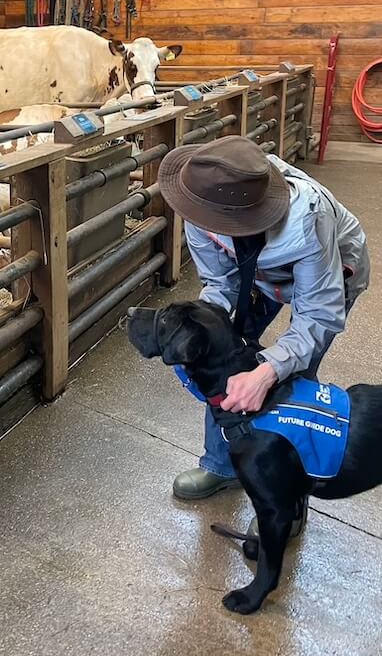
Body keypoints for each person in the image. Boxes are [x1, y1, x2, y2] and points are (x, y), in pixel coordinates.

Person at [157, 135, 369, 534]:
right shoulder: (202, 198)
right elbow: (218, 280)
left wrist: (267, 372)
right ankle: (222, 465)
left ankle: (287, 500)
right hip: (257, 276)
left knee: (293, 378)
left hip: (327, 274)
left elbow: (315, 318)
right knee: (220, 362)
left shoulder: (308, 221)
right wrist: (205, 332)